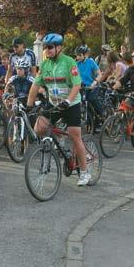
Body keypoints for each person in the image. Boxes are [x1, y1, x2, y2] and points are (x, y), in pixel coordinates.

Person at [26, 33, 91, 186]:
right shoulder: (44, 65)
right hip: (53, 102)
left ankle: (84, 171)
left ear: (59, 47)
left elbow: (77, 85)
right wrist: (29, 105)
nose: (47, 50)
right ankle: (62, 147)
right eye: (45, 47)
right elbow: (35, 85)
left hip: (71, 103)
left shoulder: (69, 62)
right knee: (39, 129)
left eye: (50, 47)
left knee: (75, 136)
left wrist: (68, 101)